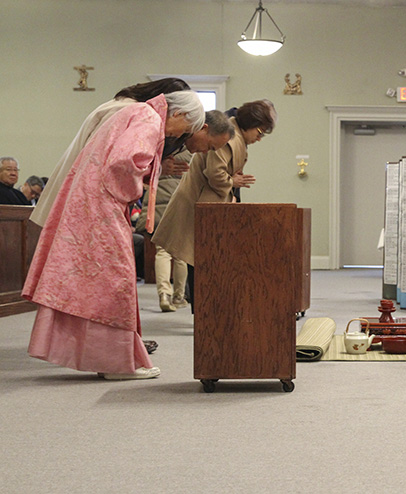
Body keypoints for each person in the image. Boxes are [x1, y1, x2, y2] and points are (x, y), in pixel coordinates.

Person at [24, 90, 205, 380]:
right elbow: (124, 162)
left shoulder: (134, 111)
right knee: (114, 283)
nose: (180, 136)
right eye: (185, 129)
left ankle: (109, 358)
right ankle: (115, 364)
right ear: (179, 115)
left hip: (87, 202)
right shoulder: (148, 119)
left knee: (94, 284)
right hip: (103, 206)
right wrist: (138, 188)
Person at [153, 99, 277, 312]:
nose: (260, 137)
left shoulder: (234, 135)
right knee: (199, 259)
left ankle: (201, 309)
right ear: (250, 123)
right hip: (202, 203)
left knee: (198, 259)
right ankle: (202, 312)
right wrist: (232, 183)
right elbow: (215, 173)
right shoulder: (230, 136)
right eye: (260, 131)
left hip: (206, 203)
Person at [31, 78, 191, 227]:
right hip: (87, 193)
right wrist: (155, 169)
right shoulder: (128, 111)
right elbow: (113, 162)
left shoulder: (124, 105)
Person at [136, 110, 234, 312]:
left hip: (160, 201)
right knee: (178, 253)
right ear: (203, 128)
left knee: (167, 251)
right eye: (209, 146)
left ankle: (168, 294)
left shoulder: (183, 145)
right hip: (172, 201)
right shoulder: (169, 138)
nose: (206, 152)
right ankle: (178, 295)